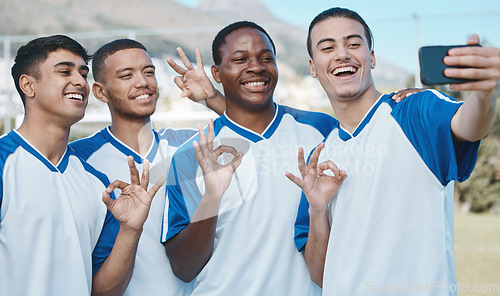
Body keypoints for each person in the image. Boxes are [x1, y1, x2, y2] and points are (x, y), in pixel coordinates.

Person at [288, 7, 500, 295]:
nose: (342, 54)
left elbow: (471, 124)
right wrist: (318, 208)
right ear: (313, 67)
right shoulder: (321, 158)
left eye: (353, 43)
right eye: (328, 47)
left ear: (371, 57)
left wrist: (483, 93)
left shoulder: (413, 111)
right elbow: (320, 274)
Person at [161, 21, 345, 295]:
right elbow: (184, 268)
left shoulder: (322, 131)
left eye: (266, 58)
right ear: (217, 73)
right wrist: (212, 197)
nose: (256, 67)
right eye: (240, 59)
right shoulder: (191, 155)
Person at [1, 35, 164, 296]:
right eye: (65, 71)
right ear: (28, 85)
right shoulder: (4, 164)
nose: (79, 81)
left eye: (83, 73)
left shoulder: (97, 183)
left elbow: (103, 291)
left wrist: (131, 229)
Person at [69, 39, 226, 296]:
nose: (143, 82)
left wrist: (212, 98)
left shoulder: (188, 145)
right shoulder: (79, 159)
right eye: (126, 75)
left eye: (149, 72)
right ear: (100, 92)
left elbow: (252, 132)